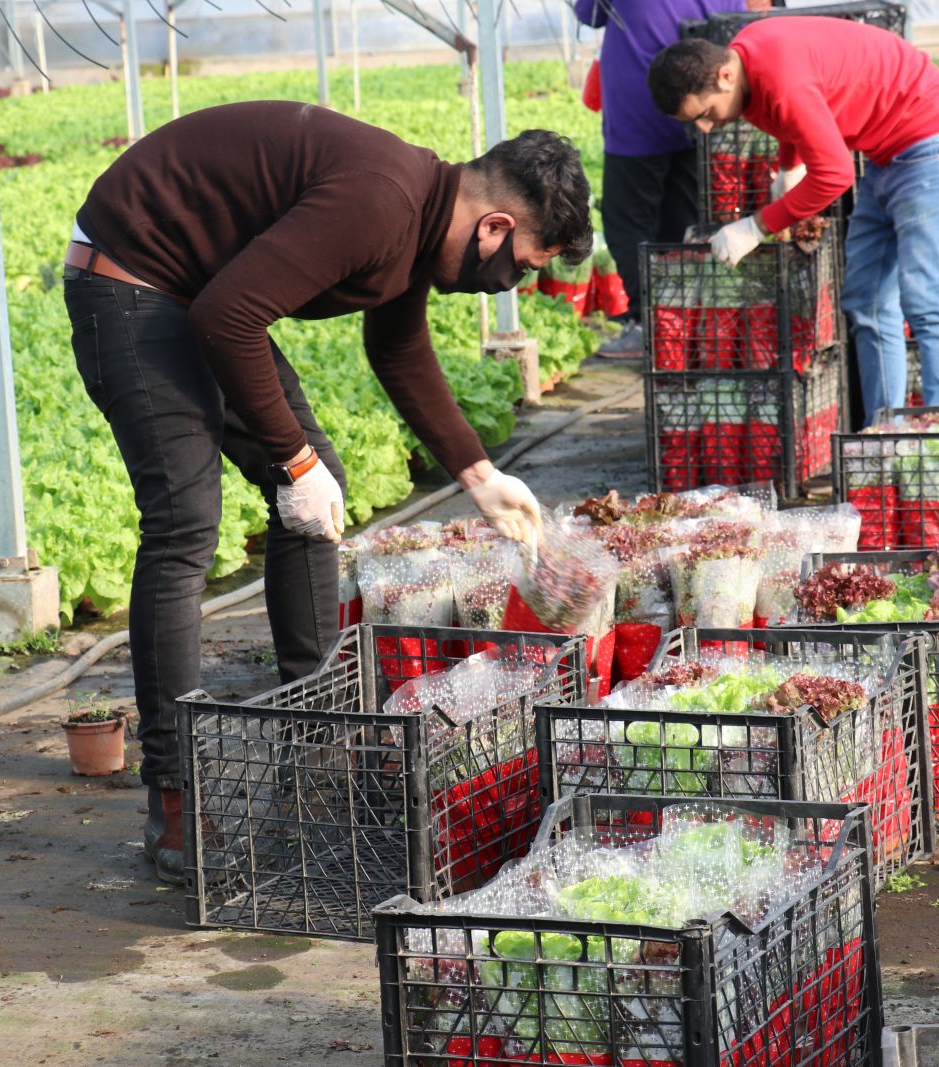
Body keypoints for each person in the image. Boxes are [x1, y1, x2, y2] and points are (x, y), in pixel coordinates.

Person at [64, 101, 593, 883]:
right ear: (495, 229)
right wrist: (293, 459)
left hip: (197, 294)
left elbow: (399, 347)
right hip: (134, 282)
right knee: (185, 525)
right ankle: (175, 799)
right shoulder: (381, 201)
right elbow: (228, 317)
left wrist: (481, 476)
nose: (509, 282)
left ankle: (317, 747)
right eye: (523, 266)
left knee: (319, 491)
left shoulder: (418, 220)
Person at [648, 21, 939, 421]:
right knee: (866, 299)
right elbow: (794, 115)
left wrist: (757, 226)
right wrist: (790, 166)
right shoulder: (746, 61)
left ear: (724, 76)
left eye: (705, 113)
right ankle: (884, 428)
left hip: (934, 143)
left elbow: (835, 176)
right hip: (885, 153)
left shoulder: (776, 77)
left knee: (927, 296)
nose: (704, 127)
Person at [574, 0, 758, 358]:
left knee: (628, 222)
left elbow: (590, 14)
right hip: (703, 109)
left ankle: (650, 326)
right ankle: (684, 329)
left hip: (637, 109)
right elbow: (734, 26)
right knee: (684, 223)